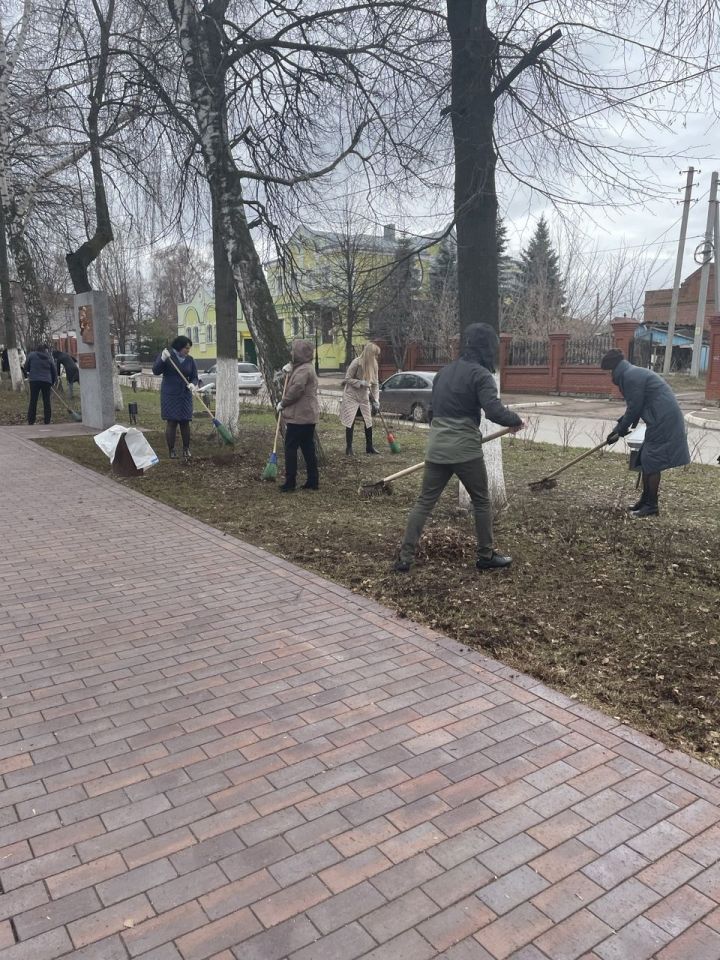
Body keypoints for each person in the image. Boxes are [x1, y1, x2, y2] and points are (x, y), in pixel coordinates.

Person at [395, 323, 525, 573]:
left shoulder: (444, 372)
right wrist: (517, 421)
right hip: (465, 449)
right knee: (481, 501)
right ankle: (485, 556)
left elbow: (432, 411)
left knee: (424, 502)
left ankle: (404, 558)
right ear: (487, 348)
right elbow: (494, 411)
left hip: (437, 445)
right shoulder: (481, 374)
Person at [601, 348, 690, 517]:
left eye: (607, 372)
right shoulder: (631, 373)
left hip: (663, 420)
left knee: (652, 460)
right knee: (646, 459)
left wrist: (619, 431)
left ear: (613, 369)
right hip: (659, 418)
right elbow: (636, 406)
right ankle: (644, 501)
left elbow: (634, 408)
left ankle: (651, 506)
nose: (607, 376)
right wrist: (620, 429)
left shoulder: (630, 377)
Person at [276, 339, 320, 492]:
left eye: (293, 351)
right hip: (306, 416)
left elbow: (296, 389)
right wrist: (288, 369)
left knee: (290, 448)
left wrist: (283, 403)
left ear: (300, 353)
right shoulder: (304, 367)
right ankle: (313, 481)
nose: (291, 353)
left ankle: (290, 483)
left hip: (300, 417)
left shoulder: (304, 370)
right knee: (308, 448)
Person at [152, 336, 199, 461]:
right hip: (170, 395)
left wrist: (193, 384)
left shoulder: (190, 360)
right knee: (172, 422)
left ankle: (186, 449)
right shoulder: (168, 358)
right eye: (186, 348)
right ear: (179, 347)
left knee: (185, 422)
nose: (188, 351)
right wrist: (162, 359)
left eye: (189, 349)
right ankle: (171, 450)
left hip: (185, 395)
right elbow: (156, 371)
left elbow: (194, 376)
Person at [340, 342, 381, 455]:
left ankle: (369, 447)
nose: (376, 357)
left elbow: (375, 384)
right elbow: (347, 379)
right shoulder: (356, 362)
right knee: (350, 420)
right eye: (375, 354)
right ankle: (349, 448)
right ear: (369, 354)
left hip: (363, 397)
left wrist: (376, 400)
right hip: (351, 395)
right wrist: (360, 382)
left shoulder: (374, 365)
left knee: (368, 421)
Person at [22, 343, 58, 425]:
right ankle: (47, 421)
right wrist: (52, 382)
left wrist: (28, 372)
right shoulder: (49, 357)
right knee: (47, 401)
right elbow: (54, 371)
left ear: (36, 349)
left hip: (34, 381)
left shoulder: (31, 355)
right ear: (44, 350)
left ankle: (31, 421)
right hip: (46, 381)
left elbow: (26, 366)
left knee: (33, 400)